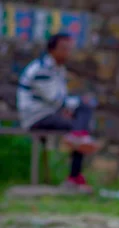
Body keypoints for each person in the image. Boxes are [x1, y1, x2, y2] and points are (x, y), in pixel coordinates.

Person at [17, 32, 100, 193]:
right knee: (83, 110)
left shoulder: (57, 68)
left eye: (70, 48)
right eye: (64, 48)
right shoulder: (41, 69)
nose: (68, 52)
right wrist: (75, 104)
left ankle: (78, 140)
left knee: (81, 120)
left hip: (49, 112)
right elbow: (55, 99)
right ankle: (75, 170)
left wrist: (68, 107)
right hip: (36, 117)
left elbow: (60, 99)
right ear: (52, 49)